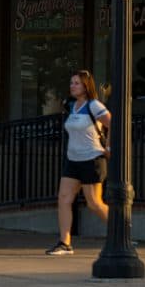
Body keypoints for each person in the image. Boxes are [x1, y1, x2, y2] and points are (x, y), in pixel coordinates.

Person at [50, 69, 112, 256]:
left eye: (77, 83)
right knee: (64, 198)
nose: (73, 86)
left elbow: (113, 123)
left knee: (94, 203)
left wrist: (109, 148)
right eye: (71, 83)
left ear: (86, 86)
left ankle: (121, 232)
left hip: (92, 158)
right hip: (73, 159)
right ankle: (65, 242)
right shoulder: (72, 106)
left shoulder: (94, 105)